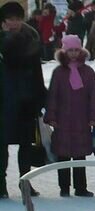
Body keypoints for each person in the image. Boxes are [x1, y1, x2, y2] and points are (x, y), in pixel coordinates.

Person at [44, 34, 95, 197]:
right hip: (62, 119)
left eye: (76, 50)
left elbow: (93, 95)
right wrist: (51, 116)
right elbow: (53, 95)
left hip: (81, 119)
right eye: (70, 50)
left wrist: (93, 116)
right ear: (64, 51)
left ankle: (81, 187)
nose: (74, 54)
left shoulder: (88, 72)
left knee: (79, 155)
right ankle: (64, 186)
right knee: (63, 154)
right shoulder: (59, 72)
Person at [1, 1, 46, 199]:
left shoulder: (31, 39)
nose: (14, 23)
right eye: (10, 19)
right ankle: (0, 184)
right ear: (3, 21)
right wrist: (6, 37)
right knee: (1, 145)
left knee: (26, 145)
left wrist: (41, 98)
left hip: (26, 100)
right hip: (3, 102)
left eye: (18, 19)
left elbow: (37, 71)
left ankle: (24, 182)